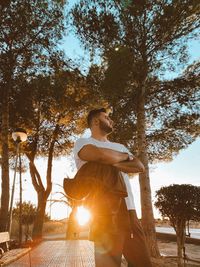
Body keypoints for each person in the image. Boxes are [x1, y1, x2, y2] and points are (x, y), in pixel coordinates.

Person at [73, 108, 152, 267]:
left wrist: (112, 161)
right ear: (96, 121)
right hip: (103, 211)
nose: (111, 121)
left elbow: (139, 165)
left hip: (129, 210)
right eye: (107, 117)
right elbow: (97, 155)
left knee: (142, 263)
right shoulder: (83, 142)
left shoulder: (120, 146)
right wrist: (124, 158)